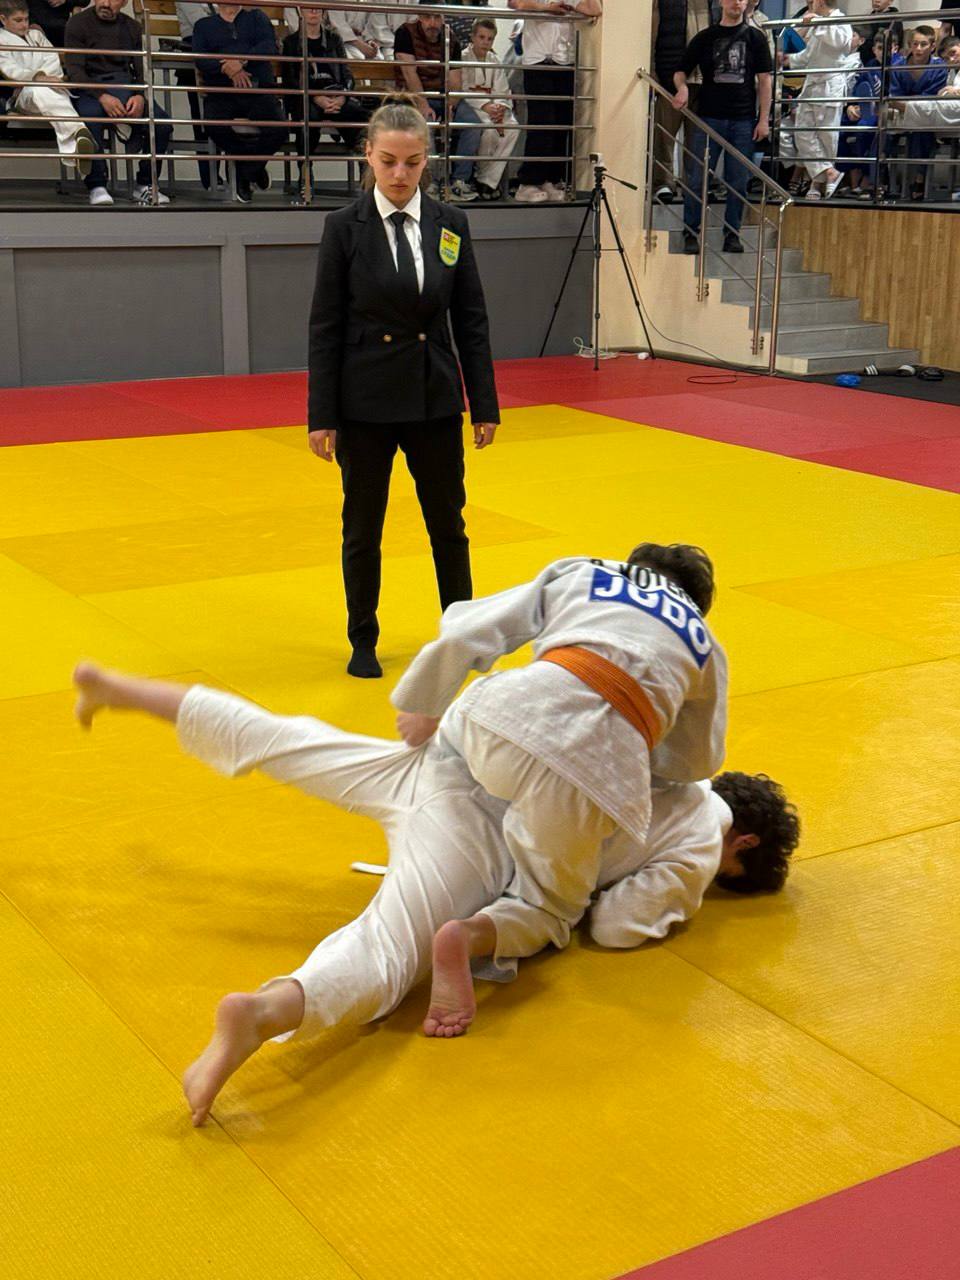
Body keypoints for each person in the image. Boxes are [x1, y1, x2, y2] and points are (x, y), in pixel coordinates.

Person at [70, 655, 798, 1126]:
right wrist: (675, 905)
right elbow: (619, 924)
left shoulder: (669, 756)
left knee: (286, 740)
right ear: (744, 844)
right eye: (728, 879)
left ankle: (123, 689)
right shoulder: (704, 833)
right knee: (389, 951)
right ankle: (265, 1011)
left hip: (452, 761)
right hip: (478, 834)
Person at [389, 544, 728, 985]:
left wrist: (425, 704)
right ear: (697, 605)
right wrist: (640, 748)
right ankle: (470, 934)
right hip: (591, 776)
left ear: (632, 567)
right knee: (551, 907)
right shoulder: (705, 644)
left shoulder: (584, 572)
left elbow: (469, 628)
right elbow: (697, 761)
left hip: (498, 720)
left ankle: (427, 835)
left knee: (452, 748)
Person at [307, 96, 499, 680]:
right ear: (368, 155)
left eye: (412, 163)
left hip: (433, 396)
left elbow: (470, 319)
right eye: (388, 160)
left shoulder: (450, 224)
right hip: (363, 403)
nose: (399, 174)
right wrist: (322, 415)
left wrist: (483, 403)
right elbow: (325, 326)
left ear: (427, 161)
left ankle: (461, 638)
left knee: (449, 525)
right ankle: (363, 637)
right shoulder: (343, 228)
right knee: (363, 529)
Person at [674, 0, 773, 254]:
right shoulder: (705, 37)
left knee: (738, 181)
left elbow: (764, 81)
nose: (736, 2)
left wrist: (764, 119)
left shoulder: (756, 38)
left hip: (742, 119)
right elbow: (681, 71)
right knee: (697, 179)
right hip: (709, 118)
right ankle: (691, 231)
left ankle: (732, 233)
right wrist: (682, 88)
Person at [63, 0, 174, 207]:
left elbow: (141, 68)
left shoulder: (132, 26)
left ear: (124, 2)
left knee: (162, 124)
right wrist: (102, 96)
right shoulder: (77, 23)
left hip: (125, 85)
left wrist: (139, 95)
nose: (105, 3)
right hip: (89, 87)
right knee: (89, 120)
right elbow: (75, 71)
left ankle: (146, 183)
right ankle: (97, 185)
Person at [192, 2, 289, 204]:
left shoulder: (257, 17)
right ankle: (253, 166)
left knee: (279, 128)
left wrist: (240, 61)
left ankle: (245, 172)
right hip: (222, 92)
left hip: (257, 90)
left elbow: (268, 46)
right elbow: (201, 59)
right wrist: (227, 68)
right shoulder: (203, 25)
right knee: (213, 124)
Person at [508, 0, 602, 203]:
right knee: (542, 123)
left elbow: (594, 9)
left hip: (564, 61)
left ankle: (550, 178)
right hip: (537, 61)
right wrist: (545, 8)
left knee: (561, 124)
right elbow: (515, 3)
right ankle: (528, 182)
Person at [393, 4, 482, 202]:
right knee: (426, 123)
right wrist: (423, 103)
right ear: (419, 17)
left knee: (473, 124)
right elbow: (409, 73)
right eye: (427, 17)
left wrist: (451, 104)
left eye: (437, 17)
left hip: (443, 95)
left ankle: (459, 182)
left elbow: (456, 79)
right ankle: (429, 182)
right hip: (412, 96)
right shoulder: (405, 33)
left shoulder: (451, 38)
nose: (432, 23)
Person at [0, 0, 95, 174]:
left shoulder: (36, 36)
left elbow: (52, 59)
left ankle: (76, 143)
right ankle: (79, 131)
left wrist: (48, 80)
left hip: (51, 91)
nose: (24, 25)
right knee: (38, 90)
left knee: (47, 90)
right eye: (18, 20)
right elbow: (10, 70)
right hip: (23, 96)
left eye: (26, 19)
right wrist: (39, 77)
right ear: (3, 19)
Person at [280, 4, 371, 185]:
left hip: (335, 94)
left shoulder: (334, 39)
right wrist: (315, 97)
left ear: (323, 12)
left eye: (318, 8)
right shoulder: (291, 42)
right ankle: (306, 173)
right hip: (307, 98)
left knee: (363, 117)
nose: (314, 12)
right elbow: (290, 80)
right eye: (309, 8)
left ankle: (367, 174)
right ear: (301, 12)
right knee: (308, 118)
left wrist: (343, 96)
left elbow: (346, 75)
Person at [780, 0, 855, 200]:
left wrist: (817, 23)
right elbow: (809, 55)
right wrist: (789, 60)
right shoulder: (818, 22)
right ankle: (829, 172)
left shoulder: (841, 21)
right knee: (802, 133)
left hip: (830, 85)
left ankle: (817, 182)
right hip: (812, 84)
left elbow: (840, 43)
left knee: (826, 135)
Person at [650, 0, 713, 203]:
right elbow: (651, 33)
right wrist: (653, 71)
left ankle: (693, 184)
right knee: (664, 136)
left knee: (697, 140)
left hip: (702, 79)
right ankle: (663, 183)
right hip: (668, 75)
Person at [459, 16, 520, 199]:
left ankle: (487, 180)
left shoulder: (494, 60)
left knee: (513, 128)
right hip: (473, 105)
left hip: (494, 105)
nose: (485, 42)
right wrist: (486, 106)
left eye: (490, 39)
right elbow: (462, 88)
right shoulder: (462, 57)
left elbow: (502, 89)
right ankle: (481, 178)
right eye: (481, 37)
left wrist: (500, 108)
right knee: (488, 130)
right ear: (472, 37)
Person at [888, 25, 948, 200]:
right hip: (898, 115)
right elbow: (894, 94)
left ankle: (919, 179)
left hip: (924, 116)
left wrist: (907, 104)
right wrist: (905, 104)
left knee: (922, 132)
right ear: (909, 45)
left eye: (923, 44)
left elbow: (932, 96)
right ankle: (878, 180)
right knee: (881, 133)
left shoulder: (940, 67)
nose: (918, 48)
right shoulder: (897, 66)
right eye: (915, 44)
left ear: (932, 46)